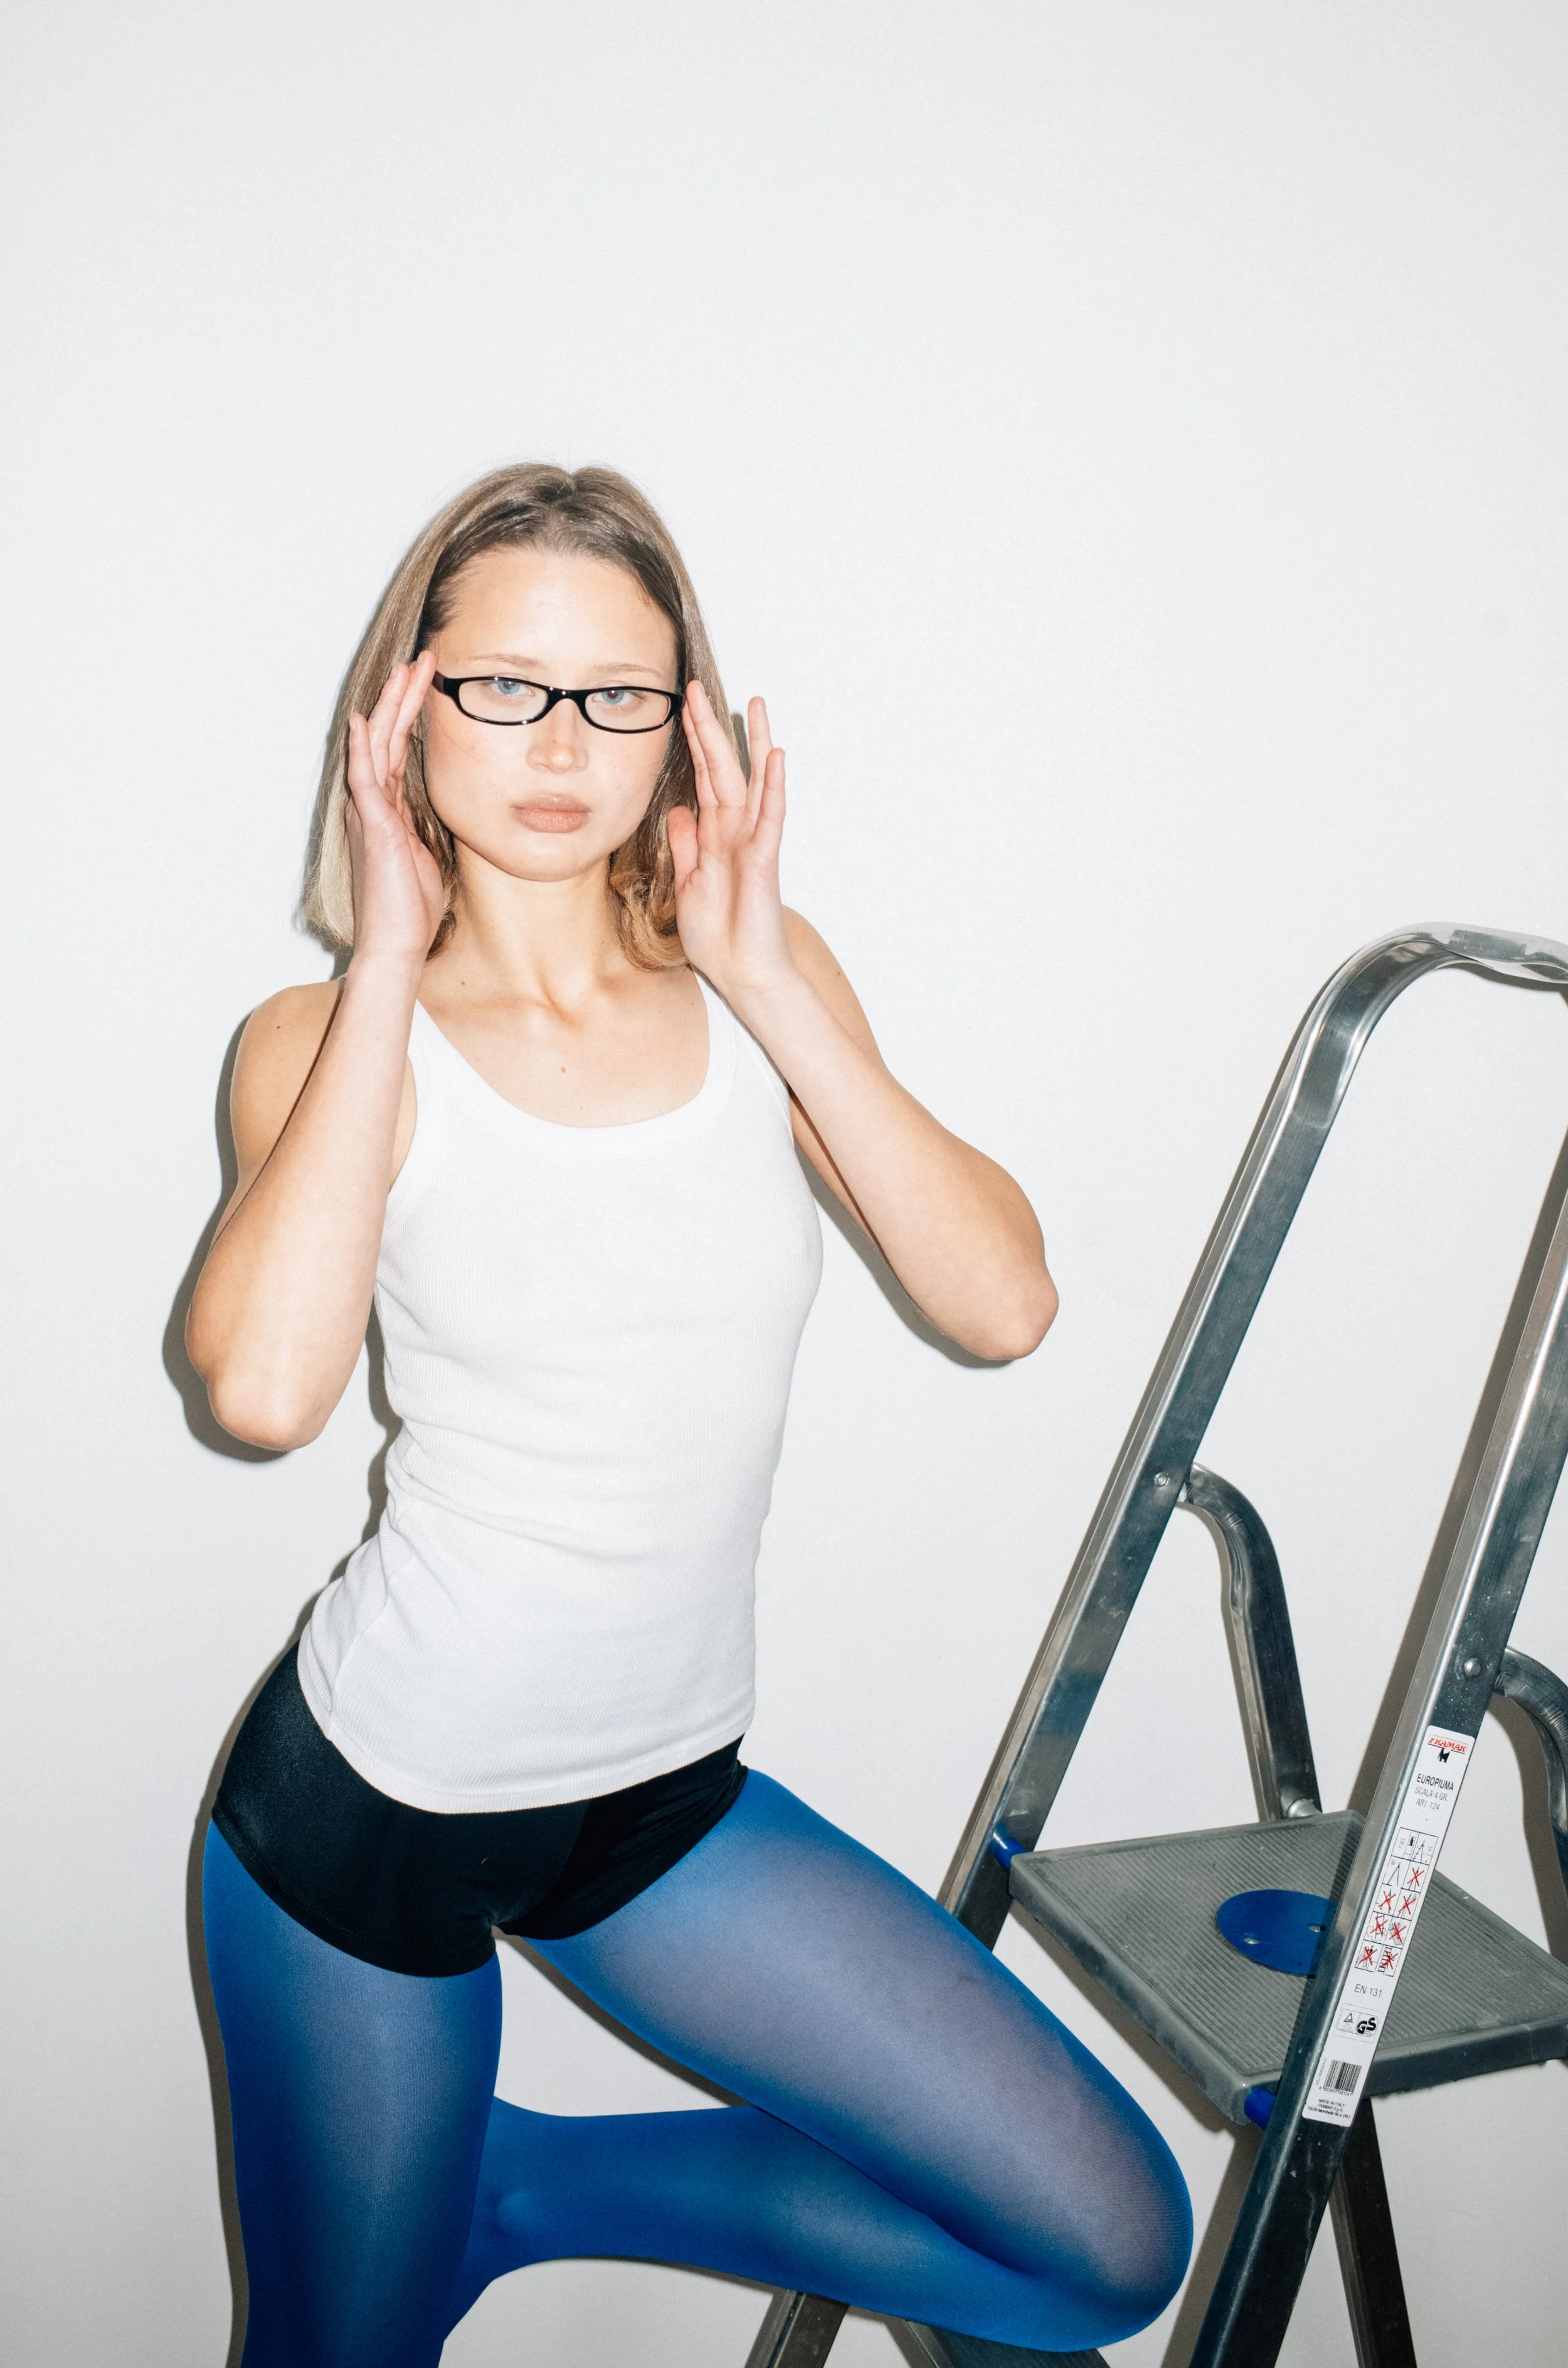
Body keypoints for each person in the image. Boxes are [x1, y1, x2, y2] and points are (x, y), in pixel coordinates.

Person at [188, 463, 1190, 2367]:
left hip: (657, 1798)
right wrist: (388, 956)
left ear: (683, 729)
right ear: (405, 712)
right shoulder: (322, 1040)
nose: (562, 741)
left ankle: (520, 2191)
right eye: (504, 686)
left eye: (619, 695)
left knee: (1104, 2245)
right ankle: (455, 2211)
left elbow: (1002, 1306)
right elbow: (264, 1390)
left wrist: (764, 972)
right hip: (367, 1818)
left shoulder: (758, 994)